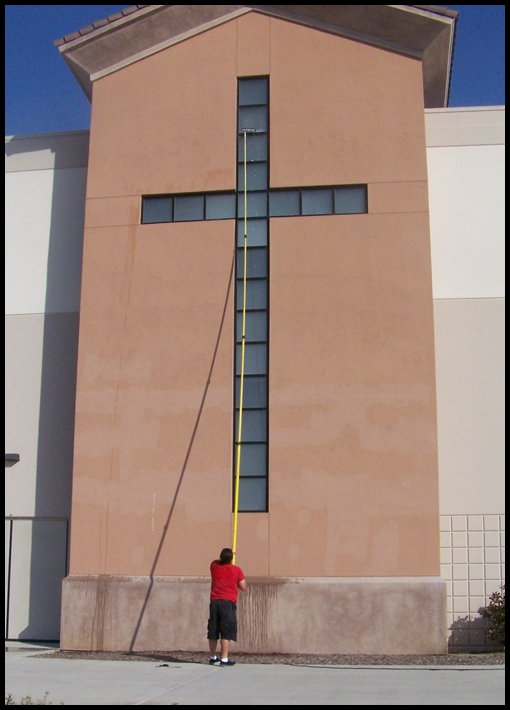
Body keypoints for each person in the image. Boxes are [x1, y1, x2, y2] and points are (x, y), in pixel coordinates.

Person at [207, 547, 247, 666]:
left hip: (214, 602)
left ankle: (213, 657)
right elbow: (243, 586)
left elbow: (217, 561)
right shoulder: (236, 570)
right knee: (226, 630)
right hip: (228, 603)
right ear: (231, 558)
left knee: (213, 630)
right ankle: (224, 659)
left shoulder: (214, 566)